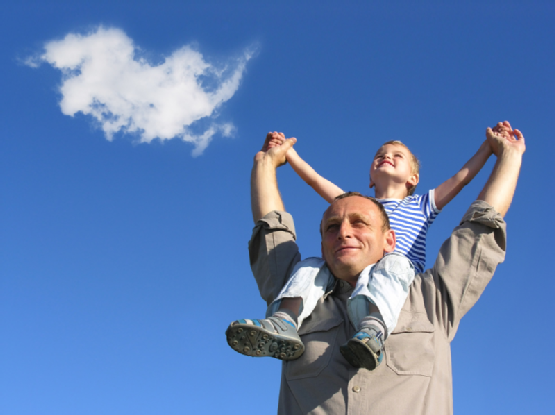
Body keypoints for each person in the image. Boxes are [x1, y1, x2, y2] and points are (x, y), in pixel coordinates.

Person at [228, 122, 524, 414]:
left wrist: (496, 151)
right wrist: (276, 159)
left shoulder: (432, 297)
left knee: (393, 265)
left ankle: (374, 325)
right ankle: (284, 320)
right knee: (309, 267)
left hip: (401, 274)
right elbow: (280, 221)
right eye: (332, 226)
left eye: (359, 223)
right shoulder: (306, 281)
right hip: (320, 287)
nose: (344, 231)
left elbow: (478, 215)